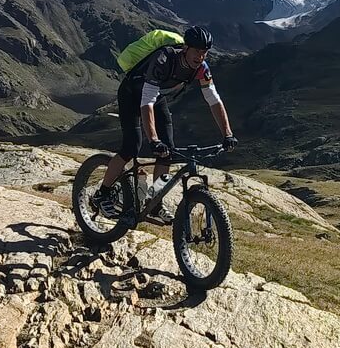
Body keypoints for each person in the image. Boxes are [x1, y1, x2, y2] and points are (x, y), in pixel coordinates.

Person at [92, 25, 237, 222]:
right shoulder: (164, 59)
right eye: (196, 51)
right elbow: (147, 102)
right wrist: (152, 139)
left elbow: (214, 100)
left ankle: (154, 203)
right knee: (131, 146)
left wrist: (227, 134)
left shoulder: (202, 69)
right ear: (186, 48)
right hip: (132, 92)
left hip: (155, 95)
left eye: (204, 53)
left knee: (167, 150)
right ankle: (102, 193)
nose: (200, 57)